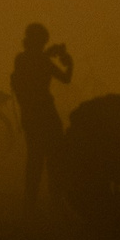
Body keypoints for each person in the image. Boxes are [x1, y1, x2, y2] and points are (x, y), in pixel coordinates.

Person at [10, 23, 73, 216]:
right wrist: (69, 62)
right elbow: (65, 78)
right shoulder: (39, 60)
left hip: (31, 115)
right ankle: (55, 200)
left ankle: (30, 203)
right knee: (53, 158)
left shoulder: (22, 59)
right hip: (45, 112)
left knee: (35, 159)